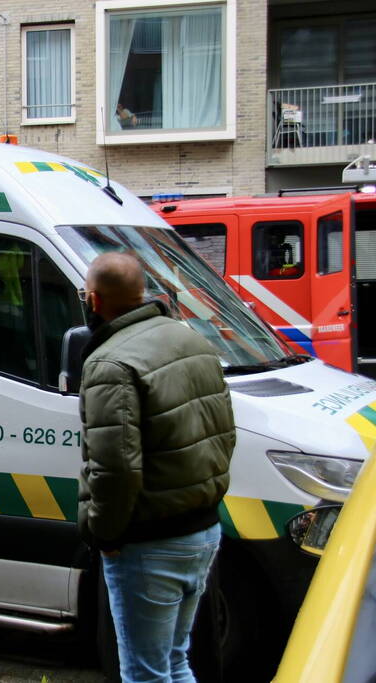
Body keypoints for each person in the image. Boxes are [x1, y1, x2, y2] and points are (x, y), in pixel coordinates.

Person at [78, 252, 234, 682]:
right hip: (203, 530)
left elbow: (114, 468)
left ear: (94, 300)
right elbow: (224, 434)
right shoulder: (192, 341)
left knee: (144, 673)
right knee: (176, 662)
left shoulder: (109, 363)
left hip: (148, 544)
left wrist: (106, 534)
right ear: (142, 292)